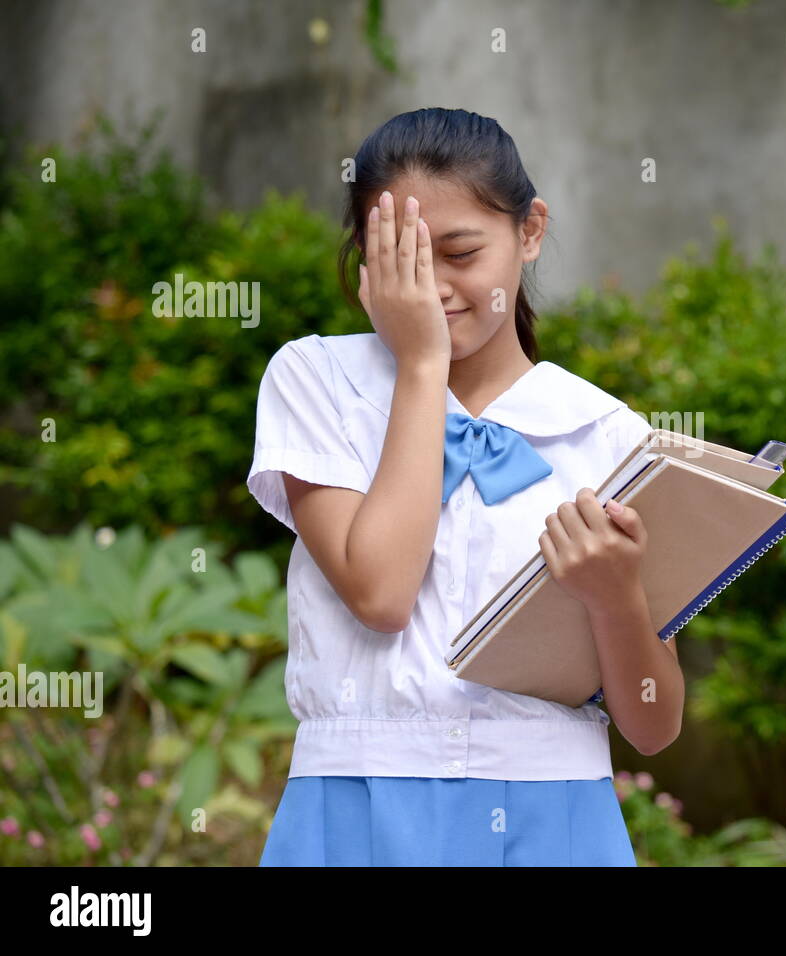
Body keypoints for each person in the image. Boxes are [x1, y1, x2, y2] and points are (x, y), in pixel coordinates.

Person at [247, 107, 685, 866]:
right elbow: (381, 595)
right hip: (357, 805)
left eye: (458, 253)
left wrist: (618, 598)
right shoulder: (317, 380)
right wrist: (421, 364)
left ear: (531, 231)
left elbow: (653, 725)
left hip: (557, 818)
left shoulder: (606, 434)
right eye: (402, 260)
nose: (432, 288)